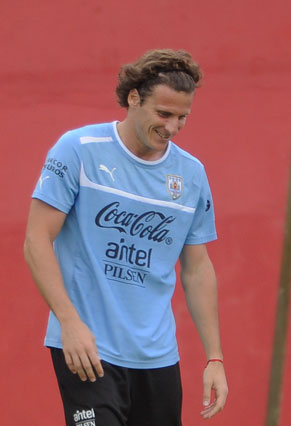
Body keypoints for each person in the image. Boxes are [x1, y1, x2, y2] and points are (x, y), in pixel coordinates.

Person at [24, 49, 228, 426]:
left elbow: (197, 269)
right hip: (87, 351)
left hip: (158, 359)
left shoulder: (192, 175)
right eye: (163, 114)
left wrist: (214, 356)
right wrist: (68, 321)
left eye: (182, 117)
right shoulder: (78, 151)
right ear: (134, 98)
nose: (172, 127)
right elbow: (36, 241)